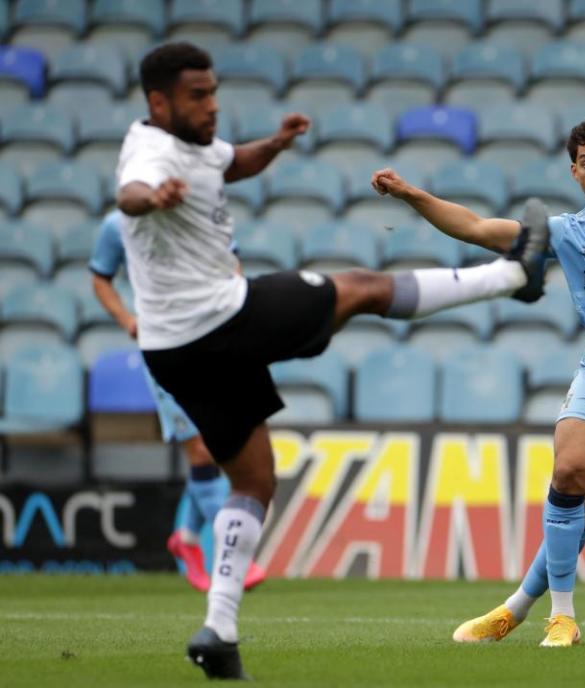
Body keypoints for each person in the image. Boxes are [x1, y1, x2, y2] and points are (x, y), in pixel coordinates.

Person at [116, 42, 550, 680]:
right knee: (363, 288)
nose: (211, 105)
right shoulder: (149, 154)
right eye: (197, 96)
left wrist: (278, 143)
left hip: (173, 350)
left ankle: (220, 630)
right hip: (220, 321)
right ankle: (514, 276)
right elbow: (131, 191)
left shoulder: (199, 145)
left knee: (253, 481)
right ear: (158, 102)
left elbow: (232, 162)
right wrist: (150, 199)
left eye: (213, 92)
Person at [371, 115, 585, 648]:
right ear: (574, 173)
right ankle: (562, 617)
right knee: (568, 472)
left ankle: (515, 607)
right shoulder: (567, 232)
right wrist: (409, 194)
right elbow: (474, 227)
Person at [90, 209, 266, 593]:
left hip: (214, 343)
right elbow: (100, 279)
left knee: (220, 446)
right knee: (201, 451)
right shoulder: (117, 225)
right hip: (164, 345)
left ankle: (186, 537)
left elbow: (233, 265)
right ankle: (235, 555)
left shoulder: (201, 210)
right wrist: (127, 320)